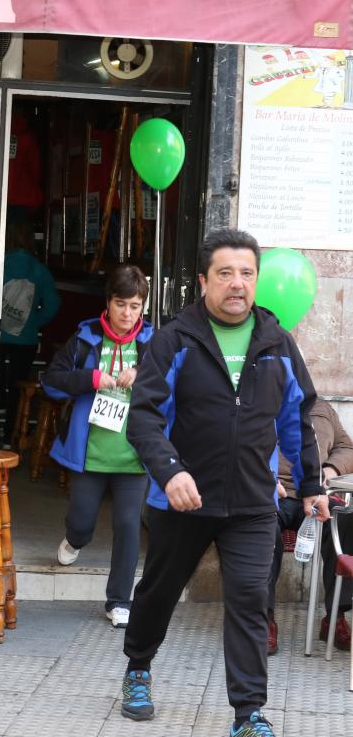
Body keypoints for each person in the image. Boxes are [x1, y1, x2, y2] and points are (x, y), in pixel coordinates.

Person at [118, 228, 329, 737]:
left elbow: (299, 419)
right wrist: (170, 473)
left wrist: (311, 486)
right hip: (182, 501)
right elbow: (142, 419)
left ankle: (247, 713)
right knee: (159, 591)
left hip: (253, 504)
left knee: (251, 601)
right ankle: (138, 668)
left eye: (247, 274)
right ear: (203, 281)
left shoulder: (278, 343)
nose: (238, 284)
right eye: (226, 273)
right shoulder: (175, 341)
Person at [41, 265, 152, 628]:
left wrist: (144, 376)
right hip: (88, 454)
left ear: (143, 308)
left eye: (135, 306)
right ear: (108, 303)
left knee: (128, 526)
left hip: (134, 457)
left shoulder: (153, 344)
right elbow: (52, 381)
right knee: (82, 522)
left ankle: (119, 599)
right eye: (121, 304)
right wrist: (90, 379)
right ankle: (74, 541)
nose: (127, 313)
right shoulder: (85, 337)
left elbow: (174, 389)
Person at [268, 398, 353, 653]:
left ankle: (336, 615)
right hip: (276, 493)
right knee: (259, 529)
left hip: (319, 494)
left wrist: (331, 468)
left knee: (346, 522)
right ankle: (262, 619)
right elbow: (237, 448)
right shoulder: (259, 402)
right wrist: (263, 476)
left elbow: (346, 447)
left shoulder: (322, 409)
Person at [0, 220, 60, 445]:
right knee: (18, 385)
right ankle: (9, 435)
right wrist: (34, 322)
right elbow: (53, 304)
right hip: (25, 339)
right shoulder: (39, 270)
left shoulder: (0, 263)